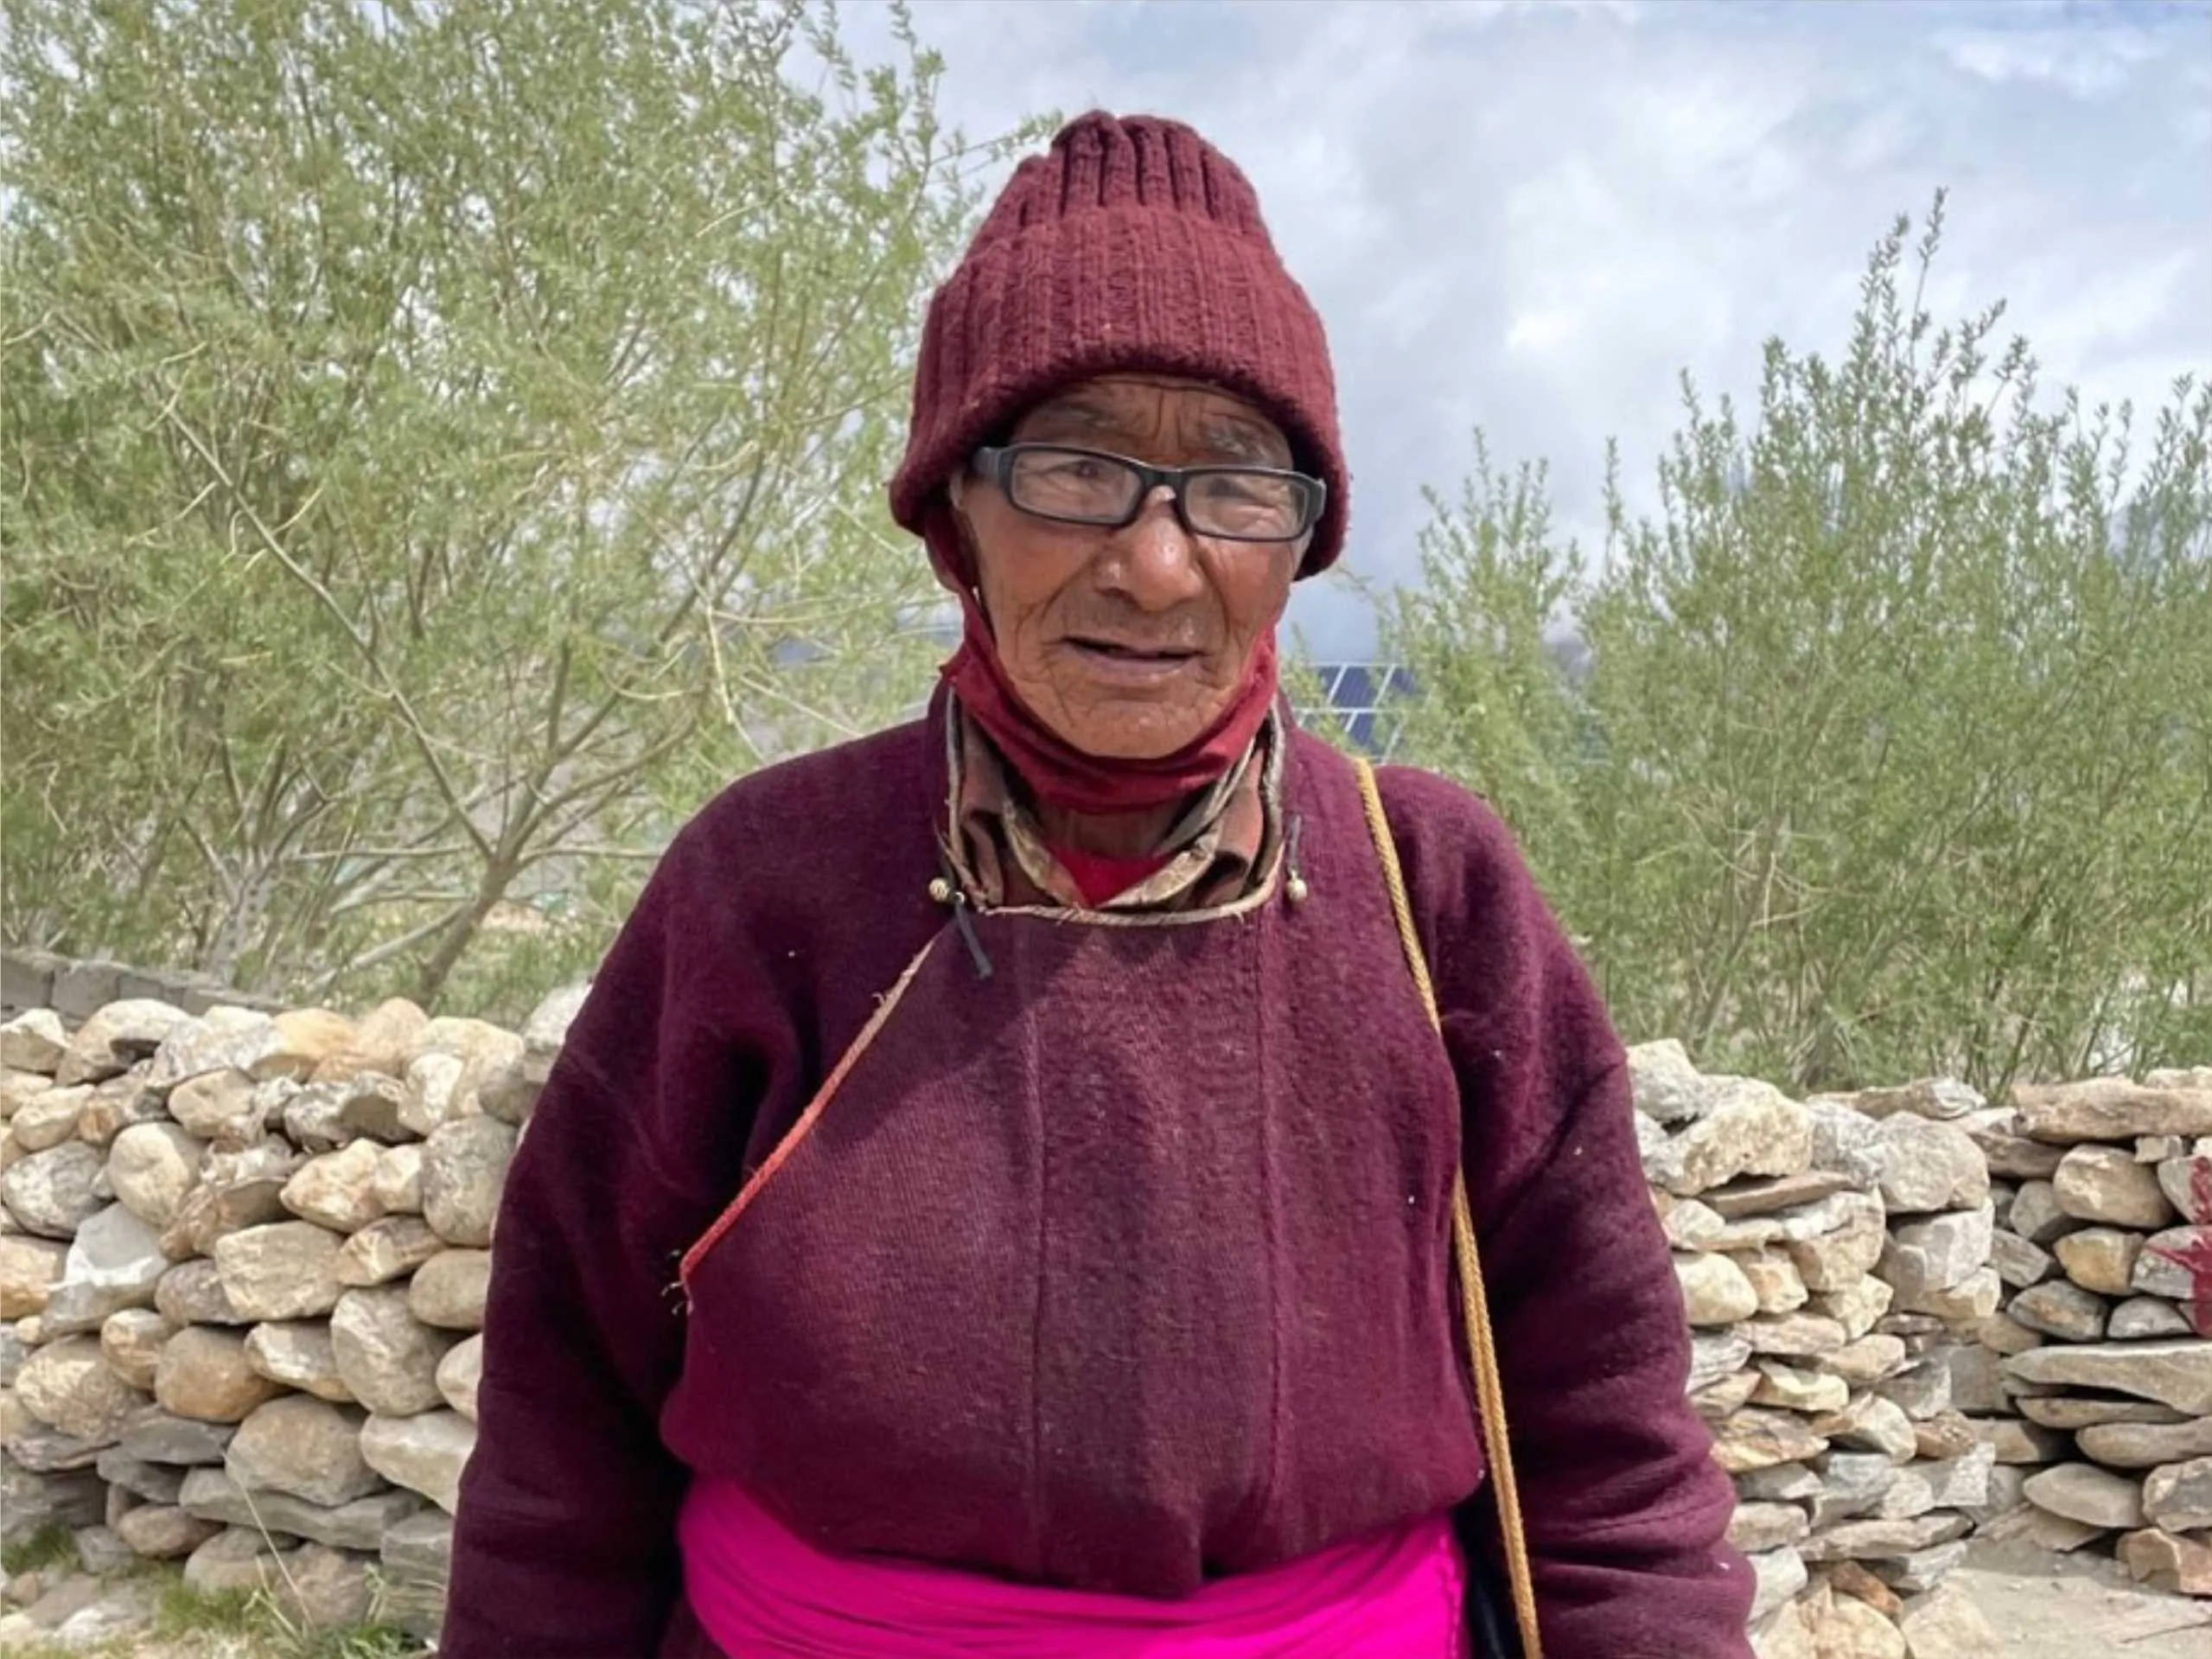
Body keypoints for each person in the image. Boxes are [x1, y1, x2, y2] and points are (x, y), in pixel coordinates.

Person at [443, 111, 1755, 1659]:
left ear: (1299, 540)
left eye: (1235, 483)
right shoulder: (764, 880)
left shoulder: (1432, 891)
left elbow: (1604, 1438)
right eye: (1075, 468)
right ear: (955, 516)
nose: (1155, 562)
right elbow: (561, 1428)